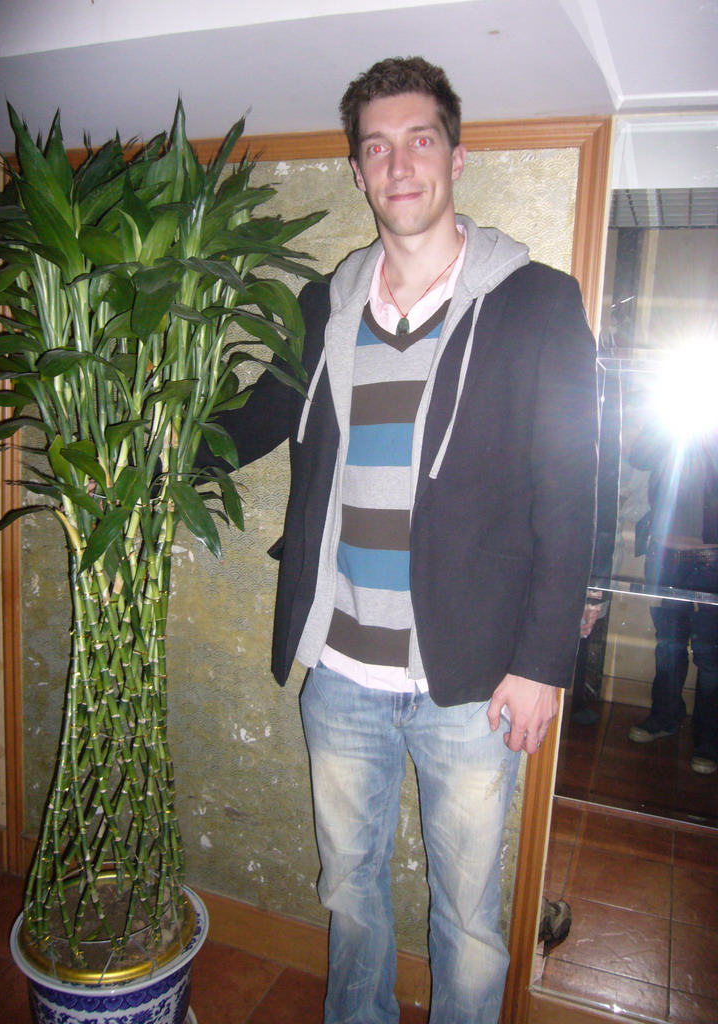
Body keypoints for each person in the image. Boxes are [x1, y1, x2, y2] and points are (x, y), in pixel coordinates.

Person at [200, 57, 598, 1024]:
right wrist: (149, 445)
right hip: (340, 668)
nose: (399, 163)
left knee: (466, 921)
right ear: (358, 170)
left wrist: (542, 664)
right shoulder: (323, 310)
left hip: (472, 680)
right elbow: (253, 423)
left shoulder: (536, 303)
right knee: (352, 897)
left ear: (457, 157)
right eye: (377, 147)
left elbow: (574, 490)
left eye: (420, 140)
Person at [627, 420, 718, 774]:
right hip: (664, 552)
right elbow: (640, 456)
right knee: (668, 644)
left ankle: (709, 736)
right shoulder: (672, 418)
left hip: (711, 557)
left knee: (710, 656)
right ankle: (665, 715)